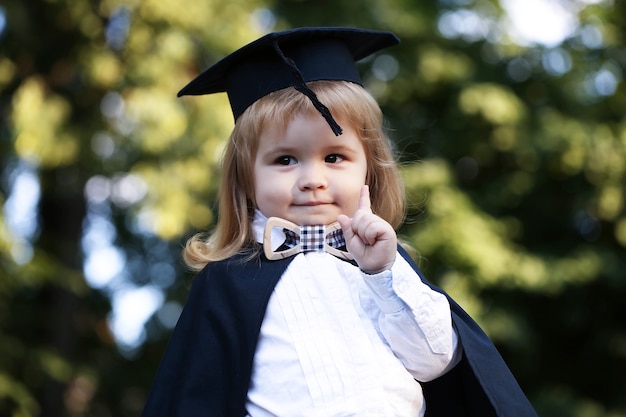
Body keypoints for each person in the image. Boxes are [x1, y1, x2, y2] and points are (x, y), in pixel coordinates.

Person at [141, 27, 538, 417]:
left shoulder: (386, 267)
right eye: (285, 160)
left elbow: (436, 362)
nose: (313, 179)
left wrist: (385, 274)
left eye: (334, 157)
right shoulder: (227, 282)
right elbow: (197, 397)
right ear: (246, 179)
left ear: (370, 169)